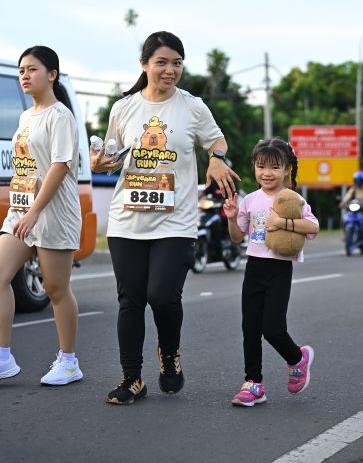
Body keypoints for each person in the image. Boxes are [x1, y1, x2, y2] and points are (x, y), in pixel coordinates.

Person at [91, 31, 240, 405]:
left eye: (177, 63)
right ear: (144, 64)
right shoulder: (123, 108)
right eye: (162, 62)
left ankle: (169, 354)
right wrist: (101, 163)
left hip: (176, 221)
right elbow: (112, 156)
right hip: (127, 218)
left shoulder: (192, 107)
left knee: (162, 296)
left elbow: (216, 141)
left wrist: (217, 158)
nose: (170, 70)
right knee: (130, 300)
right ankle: (132, 380)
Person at [0, 46, 83, 385]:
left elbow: (60, 166)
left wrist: (34, 211)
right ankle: (3, 357)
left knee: (55, 288)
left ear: (52, 74)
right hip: (22, 210)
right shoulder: (25, 117)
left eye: (32, 69)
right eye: (22, 70)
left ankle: (69, 361)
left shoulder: (60, 116)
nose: (25, 75)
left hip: (53, 213)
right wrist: (21, 202)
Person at [223, 137, 319, 407]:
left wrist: (283, 222)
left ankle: (297, 358)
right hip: (254, 267)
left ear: (287, 169)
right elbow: (237, 237)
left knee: (273, 329)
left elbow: (313, 228)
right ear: (254, 167)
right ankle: (253, 384)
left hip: (279, 269)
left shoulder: (293, 200)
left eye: (275, 167)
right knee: (250, 329)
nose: (267, 173)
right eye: (261, 166)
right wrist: (232, 218)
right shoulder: (249, 200)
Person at [339, 171, 363, 244]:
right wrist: (343, 203)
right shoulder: (353, 189)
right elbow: (347, 196)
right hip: (354, 209)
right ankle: (346, 235)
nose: (358, 182)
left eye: (360, 180)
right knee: (344, 219)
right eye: (357, 180)